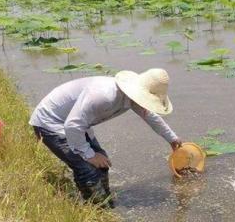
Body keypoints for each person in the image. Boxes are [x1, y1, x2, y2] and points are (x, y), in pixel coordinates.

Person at [30, 68, 182, 204]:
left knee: (102, 163)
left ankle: (105, 199)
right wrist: (89, 155)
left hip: (77, 123)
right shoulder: (103, 96)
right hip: (51, 123)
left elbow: (150, 116)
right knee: (87, 168)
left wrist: (172, 138)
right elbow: (72, 125)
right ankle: (96, 209)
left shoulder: (130, 97)